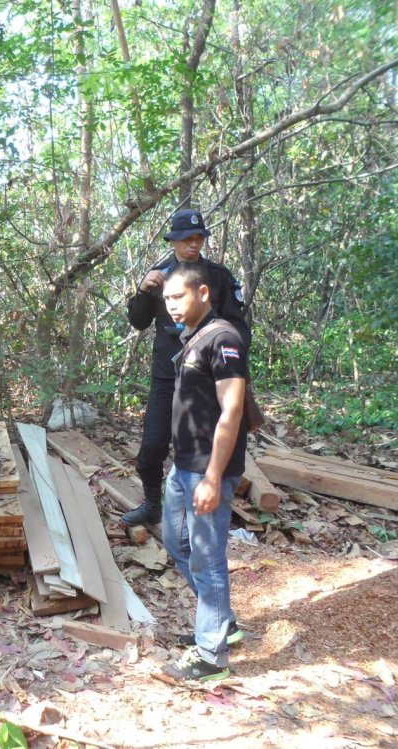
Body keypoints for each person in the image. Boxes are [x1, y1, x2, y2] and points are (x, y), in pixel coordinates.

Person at [123, 209, 250, 526]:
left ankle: (204, 509)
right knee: (152, 446)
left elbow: (238, 329)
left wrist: (215, 348)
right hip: (167, 376)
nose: (193, 244)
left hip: (206, 381)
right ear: (173, 241)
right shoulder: (159, 276)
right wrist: (142, 291)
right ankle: (152, 503)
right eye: (185, 239)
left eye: (198, 238)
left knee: (202, 449)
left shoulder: (218, 277)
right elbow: (138, 321)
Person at [160, 263, 248, 682]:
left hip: (207, 469)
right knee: (176, 541)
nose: (171, 305)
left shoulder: (223, 338)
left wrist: (214, 476)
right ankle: (221, 623)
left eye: (178, 297)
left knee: (206, 557)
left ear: (203, 293)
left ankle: (212, 657)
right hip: (184, 465)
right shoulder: (192, 336)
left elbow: (232, 410)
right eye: (166, 299)